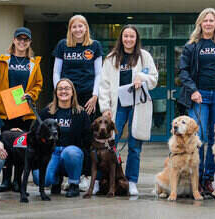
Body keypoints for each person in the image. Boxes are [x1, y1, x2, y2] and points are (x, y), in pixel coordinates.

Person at [177, 8, 215, 193]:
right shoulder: (191, 46)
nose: (209, 23)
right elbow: (183, 71)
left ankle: (207, 179)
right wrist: (193, 90)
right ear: (200, 24)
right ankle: (195, 179)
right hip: (199, 96)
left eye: (212, 21)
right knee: (199, 137)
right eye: (206, 20)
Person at [99, 25, 159, 195]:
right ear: (121, 38)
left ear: (136, 38)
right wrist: (105, 108)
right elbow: (104, 85)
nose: (128, 40)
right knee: (109, 143)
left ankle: (131, 181)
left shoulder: (144, 56)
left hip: (137, 105)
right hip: (116, 106)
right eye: (125, 36)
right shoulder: (111, 58)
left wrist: (143, 77)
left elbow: (154, 79)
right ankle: (102, 180)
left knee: (134, 145)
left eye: (132, 36)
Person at [0, 27, 43, 192]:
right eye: (19, 39)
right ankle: (5, 180)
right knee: (6, 146)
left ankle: (17, 181)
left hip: (24, 112)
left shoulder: (33, 63)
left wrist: (31, 95)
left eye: (25, 40)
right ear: (13, 40)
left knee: (21, 147)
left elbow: (38, 84)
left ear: (29, 42)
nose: (22, 42)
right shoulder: (3, 60)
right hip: (5, 111)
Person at [32, 78, 92, 198]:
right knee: (41, 179)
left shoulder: (81, 113)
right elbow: (35, 132)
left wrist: (85, 165)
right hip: (50, 153)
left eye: (67, 88)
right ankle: (55, 181)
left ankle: (74, 184)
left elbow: (87, 139)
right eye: (60, 89)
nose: (63, 91)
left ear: (73, 92)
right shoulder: (47, 112)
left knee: (71, 152)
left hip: (71, 154)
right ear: (56, 93)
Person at [52, 15, 102, 121]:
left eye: (80, 26)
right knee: (68, 125)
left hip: (88, 94)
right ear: (70, 29)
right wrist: (59, 91)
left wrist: (95, 95)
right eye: (74, 27)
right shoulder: (62, 45)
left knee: (86, 126)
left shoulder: (95, 45)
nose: (77, 29)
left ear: (86, 28)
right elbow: (56, 72)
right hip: (67, 94)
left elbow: (99, 74)